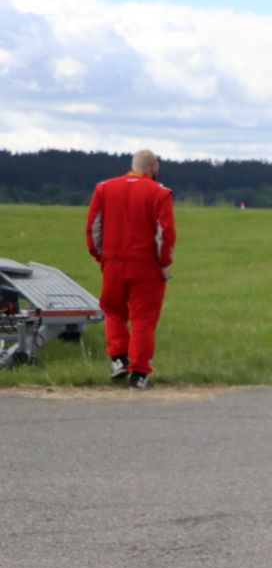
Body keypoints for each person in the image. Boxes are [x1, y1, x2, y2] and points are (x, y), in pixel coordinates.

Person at [85, 149, 175, 390]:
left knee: (113, 310)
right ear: (153, 167)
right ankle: (139, 373)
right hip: (146, 265)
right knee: (143, 319)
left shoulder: (104, 188)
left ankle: (118, 358)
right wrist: (163, 261)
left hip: (112, 262)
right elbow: (165, 233)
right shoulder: (160, 193)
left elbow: (93, 228)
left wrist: (101, 256)